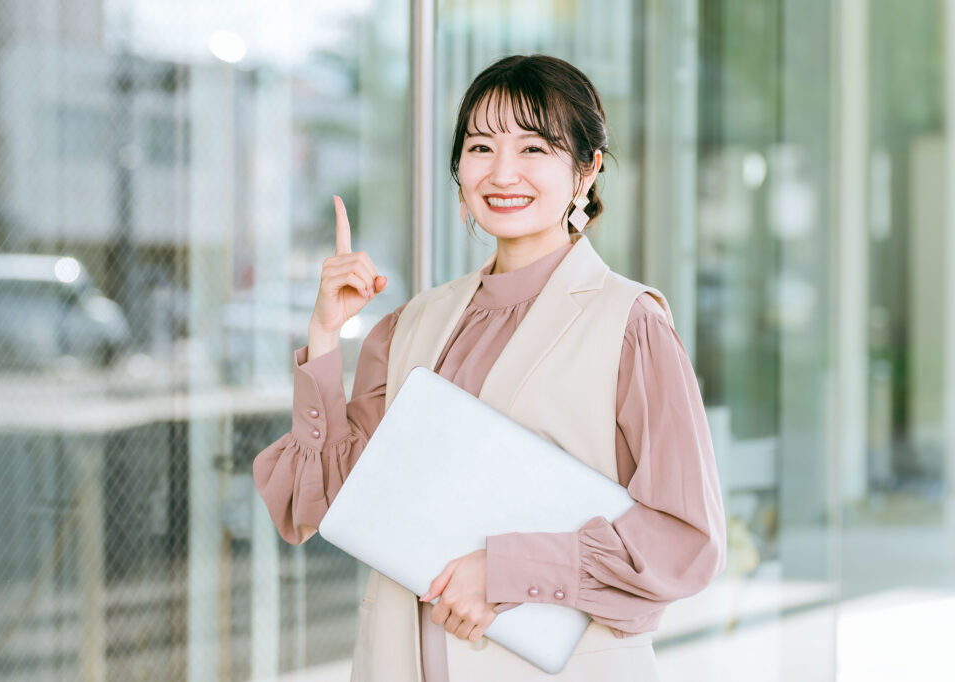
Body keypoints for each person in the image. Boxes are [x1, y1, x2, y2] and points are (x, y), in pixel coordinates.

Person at [253, 54, 726, 681]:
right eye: (481, 147)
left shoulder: (630, 324)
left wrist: (509, 569)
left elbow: (686, 539)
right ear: (459, 173)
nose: (503, 172)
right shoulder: (412, 325)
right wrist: (323, 337)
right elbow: (318, 504)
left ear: (588, 171)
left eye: (534, 148)